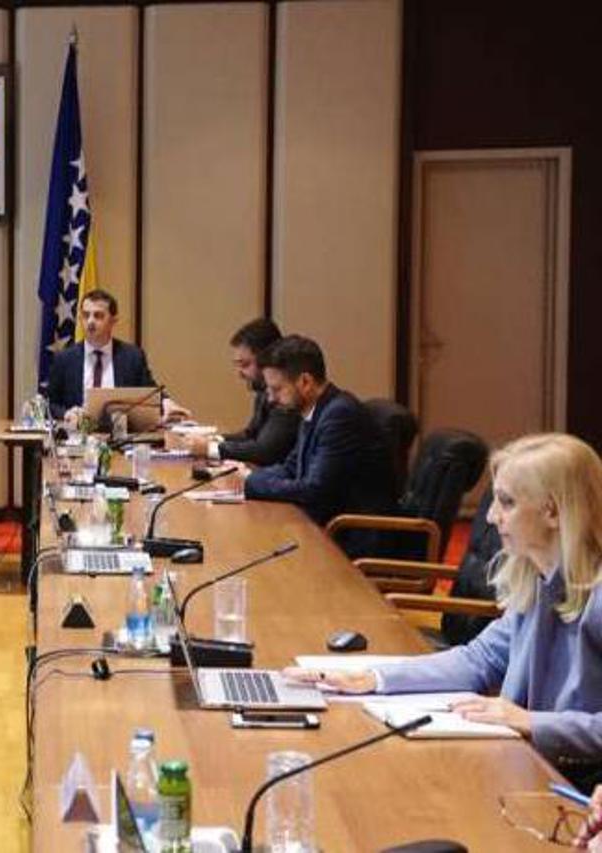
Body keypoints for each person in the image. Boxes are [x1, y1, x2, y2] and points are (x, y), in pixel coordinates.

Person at [285, 433, 602, 784]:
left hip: (582, 787)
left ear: (553, 512)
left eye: (507, 503)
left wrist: (532, 722)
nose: (492, 517)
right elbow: (480, 659)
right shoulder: (536, 579)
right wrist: (373, 678)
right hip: (529, 765)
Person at [243, 335, 395, 531]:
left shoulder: (339, 414)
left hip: (350, 532)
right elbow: (290, 468)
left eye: (277, 389)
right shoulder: (315, 410)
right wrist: (250, 480)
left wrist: (254, 484)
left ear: (305, 382)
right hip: (326, 522)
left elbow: (314, 490)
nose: (271, 399)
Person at [44, 288, 188, 424]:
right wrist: (66, 414)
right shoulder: (65, 359)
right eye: (86, 315)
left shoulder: (132, 357)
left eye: (98, 316)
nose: (90, 321)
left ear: (113, 320)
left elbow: (150, 393)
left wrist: (166, 402)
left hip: (121, 435)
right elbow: (49, 404)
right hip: (78, 437)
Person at [180, 318, 299, 466]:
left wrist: (211, 448)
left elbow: (265, 451)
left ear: (266, 359)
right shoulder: (263, 391)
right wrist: (215, 440)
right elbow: (251, 434)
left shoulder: (286, 396)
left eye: (245, 364)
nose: (239, 374)